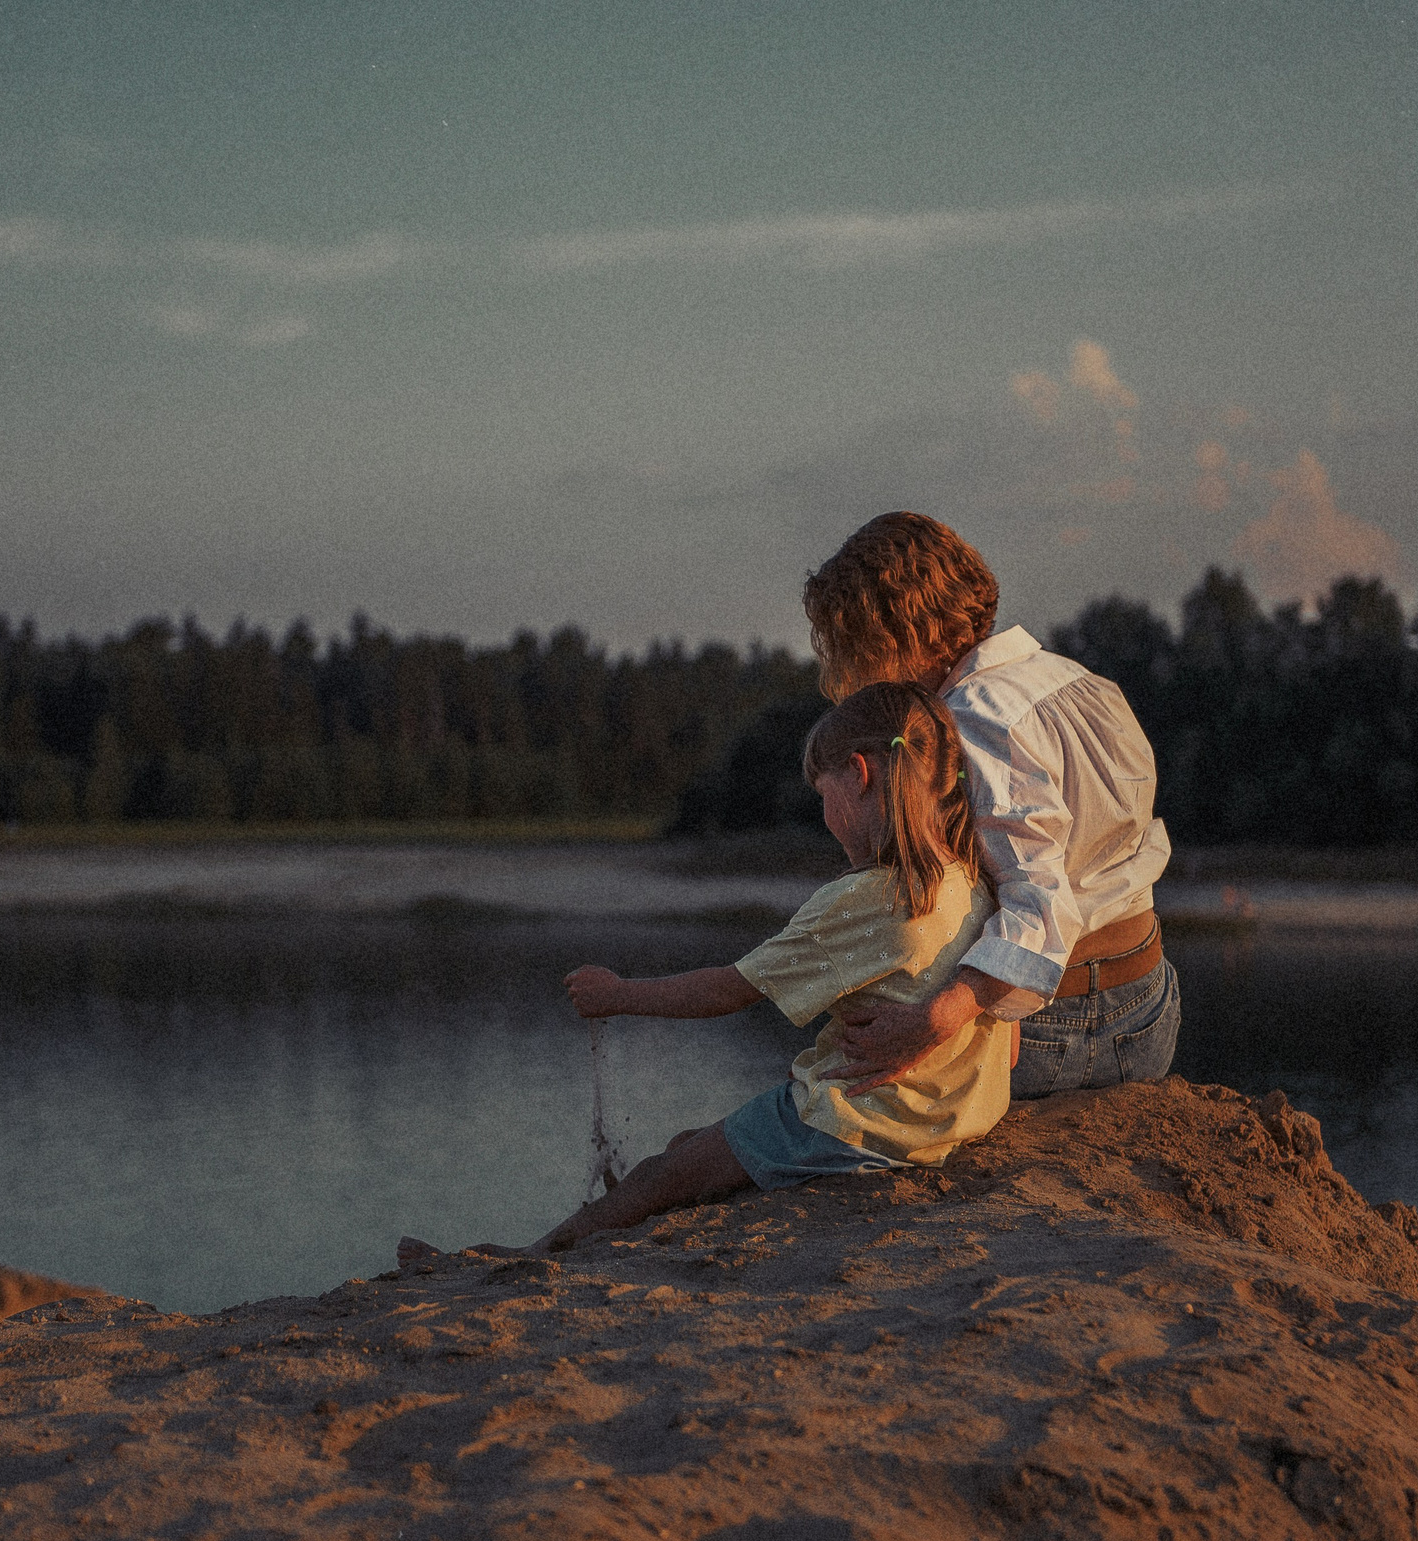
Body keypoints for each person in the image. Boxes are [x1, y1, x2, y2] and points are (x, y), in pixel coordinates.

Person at [400, 682, 1013, 1263]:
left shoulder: (866, 898)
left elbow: (729, 989)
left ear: (858, 775)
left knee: (655, 1176)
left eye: (823, 797)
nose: (825, 817)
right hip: (948, 1117)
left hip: (861, 1124)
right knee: (690, 1146)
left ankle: (527, 1258)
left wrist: (619, 995)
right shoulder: (975, 881)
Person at [808, 512, 1179, 1100]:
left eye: (853, 645)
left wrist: (931, 1023)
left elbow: (1040, 903)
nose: (851, 671)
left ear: (894, 633)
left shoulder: (973, 717)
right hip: (1151, 1009)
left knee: (827, 1087)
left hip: (1059, 1031)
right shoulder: (1081, 682)